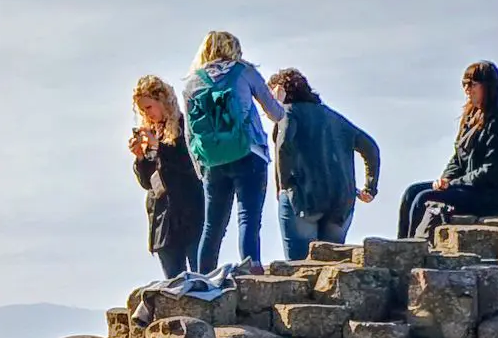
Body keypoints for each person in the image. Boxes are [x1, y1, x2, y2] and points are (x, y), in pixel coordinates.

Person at [178, 30, 280, 284]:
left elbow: (190, 134)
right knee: (247, 216)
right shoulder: (245, 72)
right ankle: (251, 273)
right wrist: (278, 100)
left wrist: (200, 167)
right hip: (250, 151)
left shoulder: (192, 83)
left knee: (213, 226)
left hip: (213, 161)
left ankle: (201, 280)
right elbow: (276, 114)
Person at [397, 60, 498, 236]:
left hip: (497, 194)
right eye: (465, 84)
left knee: (423, 198)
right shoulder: (472, 115)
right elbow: (459, 157)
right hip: (472, 187)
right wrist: (445, 179)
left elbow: (492, 171)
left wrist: (452, 184)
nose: (467, 89)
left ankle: (413, 250)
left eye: (473, 84)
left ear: (488, 86)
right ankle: (402, 244)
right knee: (411, 193)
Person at [268, 68, 381, 258]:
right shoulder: (335, 118)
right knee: (331, 264)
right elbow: (371, 148)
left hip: (303, 197)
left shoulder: (288, 113)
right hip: (341, 201)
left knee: (299, 267)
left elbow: (284, 145)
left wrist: (283, 184)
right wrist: (370, 187)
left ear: (280, 90)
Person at [128, 74, 204, 288]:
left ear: (163, 101)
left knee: (200, 278)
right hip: (163, 219)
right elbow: (148, 183)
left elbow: (188, 166)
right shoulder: (153, 133)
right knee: (173, 286)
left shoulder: (185, 126)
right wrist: (141, 157)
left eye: (149, 107)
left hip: (189, 212)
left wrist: (158, 148)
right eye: (142, 110)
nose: (146, 114)